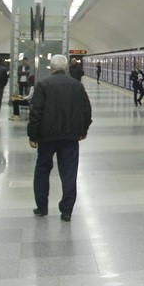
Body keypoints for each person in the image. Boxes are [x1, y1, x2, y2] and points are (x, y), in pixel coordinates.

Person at [28, 54, 92, 222]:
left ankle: (42, 207)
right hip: (70, 137)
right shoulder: (77, 85)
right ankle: (66, 211)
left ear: (51, 68)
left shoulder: (43, 85)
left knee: (42, 170)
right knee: (69, 172)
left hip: (46, 137)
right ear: (67, 68)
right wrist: (83, 130)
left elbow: (36, 112)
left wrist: (33, 135)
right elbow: (87, 110)